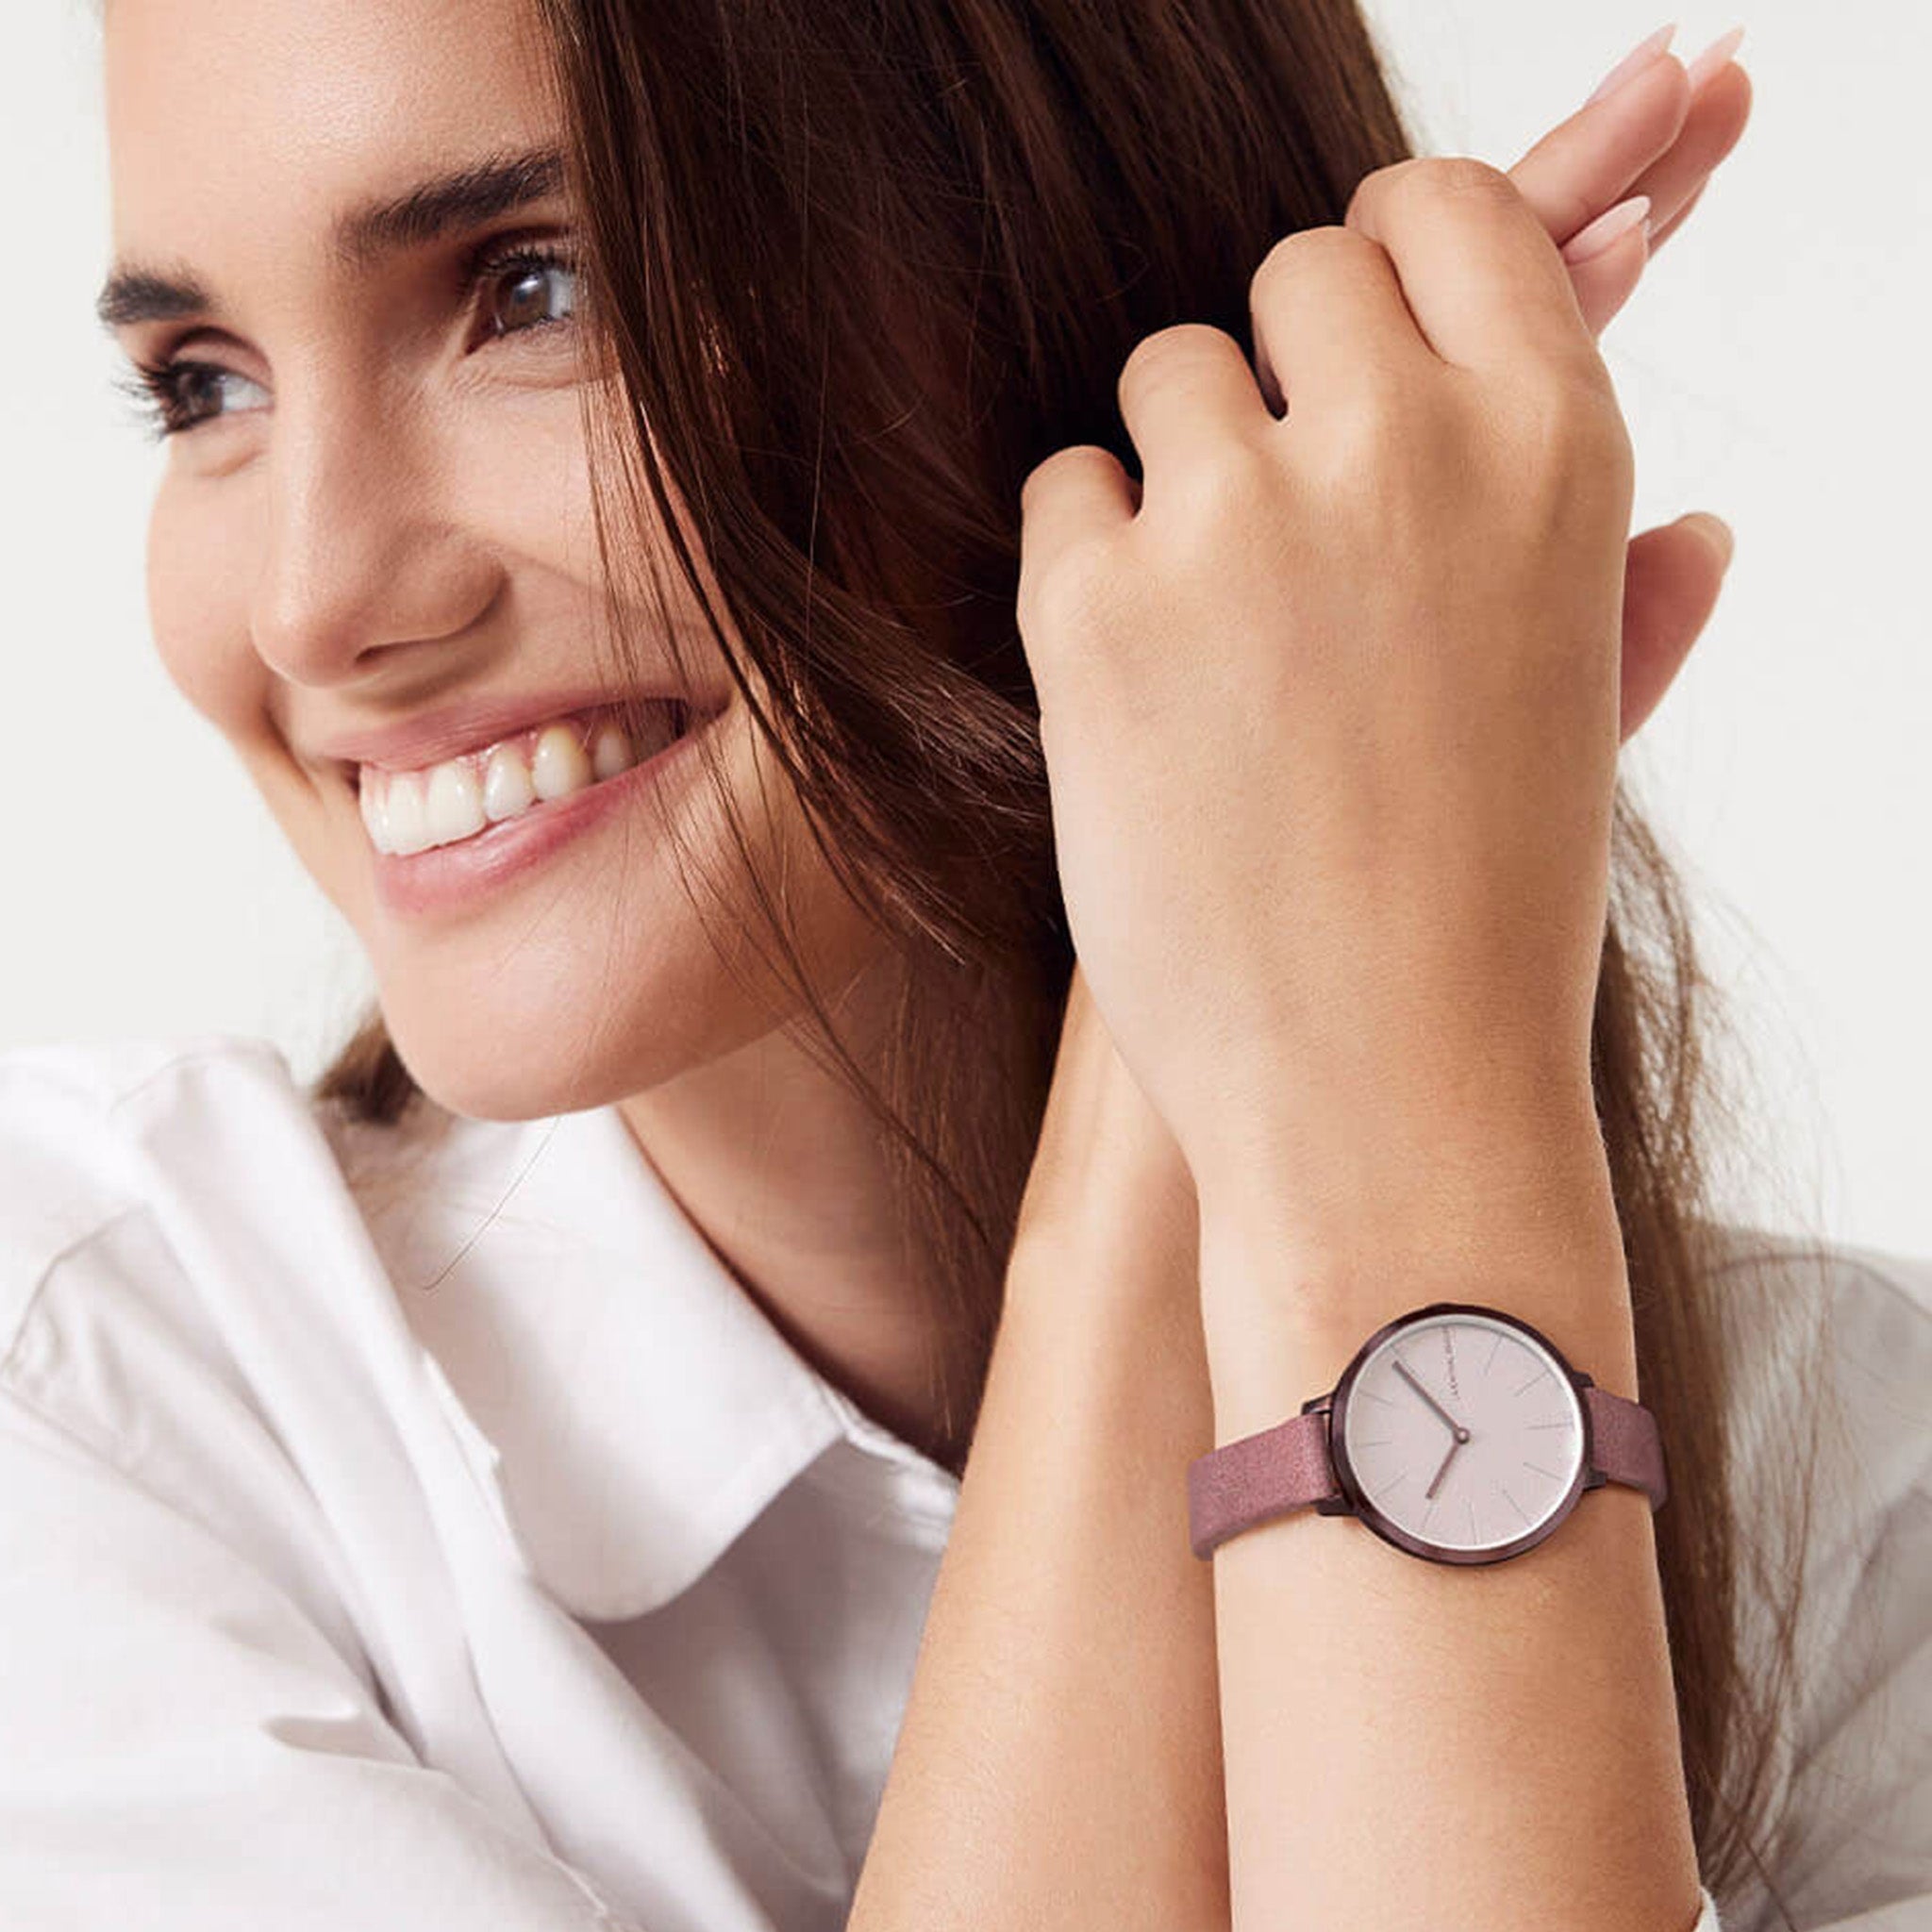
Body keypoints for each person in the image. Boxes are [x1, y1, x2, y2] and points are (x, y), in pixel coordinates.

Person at [1, 2, 1924, 1927]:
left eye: (538, 288)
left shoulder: (1857, 1496)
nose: (312, 604)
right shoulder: (88, 1394)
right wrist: (1212, 1012)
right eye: (202, 385)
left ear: (1069, 267)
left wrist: (1354, 1121)